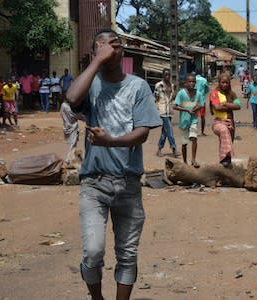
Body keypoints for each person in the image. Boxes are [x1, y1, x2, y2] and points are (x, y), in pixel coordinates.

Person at [65, 29, 162, 300]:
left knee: (127, 254)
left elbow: (143, 132)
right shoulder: (90, 84)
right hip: (94, 183)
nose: (110, 49)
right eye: (103, 45)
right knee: (93, 252)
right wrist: (96, 62)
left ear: (123, 53)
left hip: (128, 182)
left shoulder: (138, 86)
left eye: (116, 45)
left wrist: (111, 142)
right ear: (95, 51)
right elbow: (71, 99)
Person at [210, 73, 241, 167]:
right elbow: (217, 108)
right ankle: (223, 159)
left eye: (226, 83)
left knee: (227, 143)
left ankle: (227, 163)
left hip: (230, 122)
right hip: (218, 122)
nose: (224, 85)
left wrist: (226, 104)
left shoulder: (232, 94)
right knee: (224, 131)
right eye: (222, 82)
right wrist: (231, 106)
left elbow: (238, 105)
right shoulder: (214, 93)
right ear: (219, 82)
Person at [174, 73, 203, 168]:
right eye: (189, 81)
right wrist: (186, 110)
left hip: (193, 120)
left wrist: (196, 108)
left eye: (193, 81)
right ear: (185, 83)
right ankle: (185, 161)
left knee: (194, 138)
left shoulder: (198, 94)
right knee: (184, 143)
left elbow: (201, 104)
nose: (192, 83)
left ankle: (193, 159)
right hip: (184, 121)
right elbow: (175, 106)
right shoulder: (181, 93)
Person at [155, 68, 180, 157]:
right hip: (162, 110)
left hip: (169, 110)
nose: (167, 76)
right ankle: (174, 149)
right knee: (169, 129)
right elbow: (156, 98)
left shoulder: (172, 85)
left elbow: (172, 98)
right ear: (163, 75)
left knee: (164, 132)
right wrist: (158, 108)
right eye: (165, 75)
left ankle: (159, 149)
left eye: (168, 75)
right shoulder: (159, 85)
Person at [195, 69, 210, 136]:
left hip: (194, 100)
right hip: (202, 100)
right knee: (202, 117)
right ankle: (202, 132)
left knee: (194, 116)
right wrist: (203, 93)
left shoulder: (193, 79)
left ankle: (194, 132)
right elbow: (207, 89)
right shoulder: (204, 80)